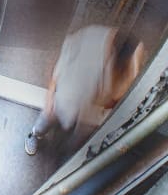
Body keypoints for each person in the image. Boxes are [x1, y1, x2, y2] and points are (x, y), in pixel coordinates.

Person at [25, 25, 145, 155]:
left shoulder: (121, 63)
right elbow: (62, 61)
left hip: (91, 112)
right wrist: (50, 94)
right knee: (47, 118)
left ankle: (70, 154)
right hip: (67, 97)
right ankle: (35, 134)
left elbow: (116, 95)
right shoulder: (89, 42)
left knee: (80, 137)